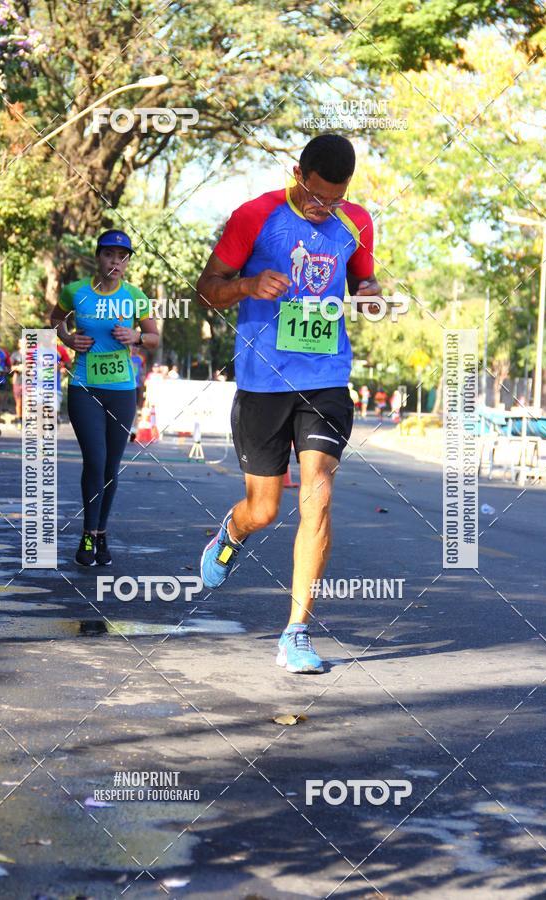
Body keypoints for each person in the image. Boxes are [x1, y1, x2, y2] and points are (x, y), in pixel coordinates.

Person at [197, 134, 381, 674]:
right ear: (297, 174)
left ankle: (296, 632)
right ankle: (231, 532)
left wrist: (369, 295)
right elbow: (207, 288)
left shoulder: (357, 222)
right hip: (263, 383)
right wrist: (248, 285)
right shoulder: (254, 216)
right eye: (317, 196)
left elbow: (364, 278)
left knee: (317, 499)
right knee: (266, 509)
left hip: (325, 380)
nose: (325, 208)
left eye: (336, 199)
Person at [50, 229, 159, 567]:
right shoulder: (76, 292)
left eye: (122, 257)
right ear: (98, 257)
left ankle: (101, 532)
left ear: (127, 263)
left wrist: (136, 336)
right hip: (84, 387)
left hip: (122, 391)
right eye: (110, 255)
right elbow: (55, 320)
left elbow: (154, 337)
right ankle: (86, 533)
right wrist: (68, 339)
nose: (116, 261)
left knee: (111, 467)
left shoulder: (136, 297)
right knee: (95, 461)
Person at [10, 340, 24, 424]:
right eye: (22, 343)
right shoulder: (15, 355)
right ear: (19, 344)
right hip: (17, 381)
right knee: (19, 402)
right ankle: (19, 419)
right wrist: (17, 367)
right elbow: (9, 367)